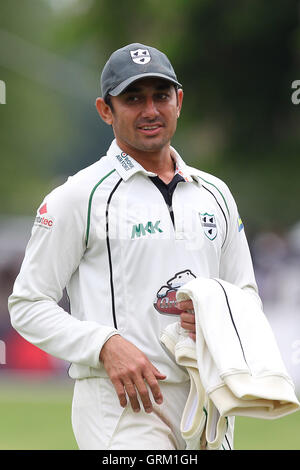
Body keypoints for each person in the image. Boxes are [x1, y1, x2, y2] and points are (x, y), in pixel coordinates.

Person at [8, 43, 261, 450]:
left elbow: (245, 294)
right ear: (105, 110)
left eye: (160, 96)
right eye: (133, 99)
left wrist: (219, 316)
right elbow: (28, 304)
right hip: (123, 406)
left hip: (208, 403)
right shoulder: (79, 196)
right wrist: (103, 345)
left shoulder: (216, 194)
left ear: (178, 102)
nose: (149, 110)